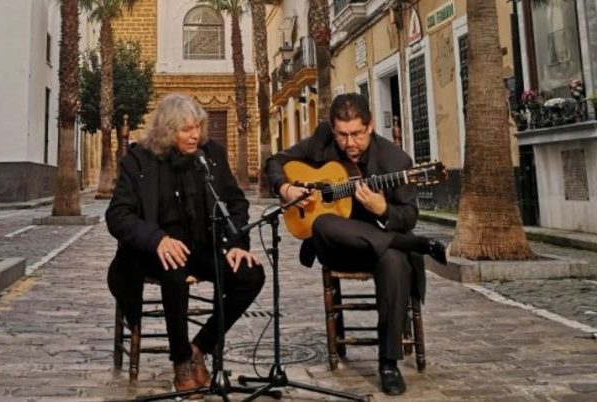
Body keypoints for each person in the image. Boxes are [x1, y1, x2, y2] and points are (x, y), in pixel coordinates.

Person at [265, 93, 446, 396]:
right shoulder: (323, 139)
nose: (349, 143)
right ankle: (417, 245)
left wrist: (383, 210)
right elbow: (275, 162)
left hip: (381, 250)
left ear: (370, 126)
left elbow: (409, 214)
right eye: (342, 135)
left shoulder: (396, 162)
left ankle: (388, 363)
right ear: (332, 130)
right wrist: (286, 188)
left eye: (357, 134)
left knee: (395, 262)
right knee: (322, 223)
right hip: (338, 247)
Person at [106, 94, 265, 393]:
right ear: (167, 132)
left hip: (202, 247)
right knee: (174, 267)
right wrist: (156, 239)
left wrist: (236, 242)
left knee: (251, 274)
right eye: (186, 130)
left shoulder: (210, 154)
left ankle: (198, 348)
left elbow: (234, 201)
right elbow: (117, 215)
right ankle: (180, 360)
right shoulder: (138, 160)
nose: (195, 135)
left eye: (197, 127)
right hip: (151, 252)